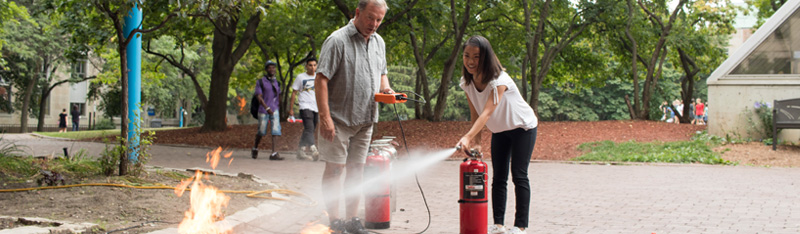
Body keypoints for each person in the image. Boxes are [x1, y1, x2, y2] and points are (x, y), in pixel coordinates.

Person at [315, 0, 393, 233]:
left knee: (357, 171)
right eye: (370, 18)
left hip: (366, 119)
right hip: (338, 119)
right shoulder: (337, 40)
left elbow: (382, 74)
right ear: (357, 12)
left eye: (379, 20)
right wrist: (325, 118)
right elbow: (321, 80)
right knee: (335, 170)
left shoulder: (379, 42)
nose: (374, 24)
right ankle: (335, 221)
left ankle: (352, 221)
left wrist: (386, 89)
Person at [455, 36, 538, 234]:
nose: (471, 61)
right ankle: (498, 224)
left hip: (522, 128)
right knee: (498, 177)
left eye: (476, 56)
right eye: (467, 56)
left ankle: (520, 226)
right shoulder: (466, 82)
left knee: (519, 175)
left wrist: (466, 136)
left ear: (486, 57)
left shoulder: (499, 80)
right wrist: (476, 142)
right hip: (500, 130)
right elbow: (475, 112)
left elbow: (487, 112)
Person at [251, 60, 284, 161]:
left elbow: (279, 95)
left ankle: (274, 153)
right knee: (261, 131)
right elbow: (259, 97)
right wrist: (267, 108)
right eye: (269, 67)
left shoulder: (277, 82)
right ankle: (255, 147)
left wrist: (278, 107)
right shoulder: (261, 82)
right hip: (263, 110)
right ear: (266, 69)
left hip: (275, 109)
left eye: (273, 67)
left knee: (276, 130)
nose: (272, 69)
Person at [288, 58, 319, 161]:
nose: (312, 67)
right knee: (309, 128)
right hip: (305, 106)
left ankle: (300, 151)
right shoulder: (300, 77)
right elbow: (294, 93)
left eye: (314, 65)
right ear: (306, 66)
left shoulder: (318, 77)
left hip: (316, 107)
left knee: (309, 129)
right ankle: (313, 149)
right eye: (310, 65)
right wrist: (291, 109)